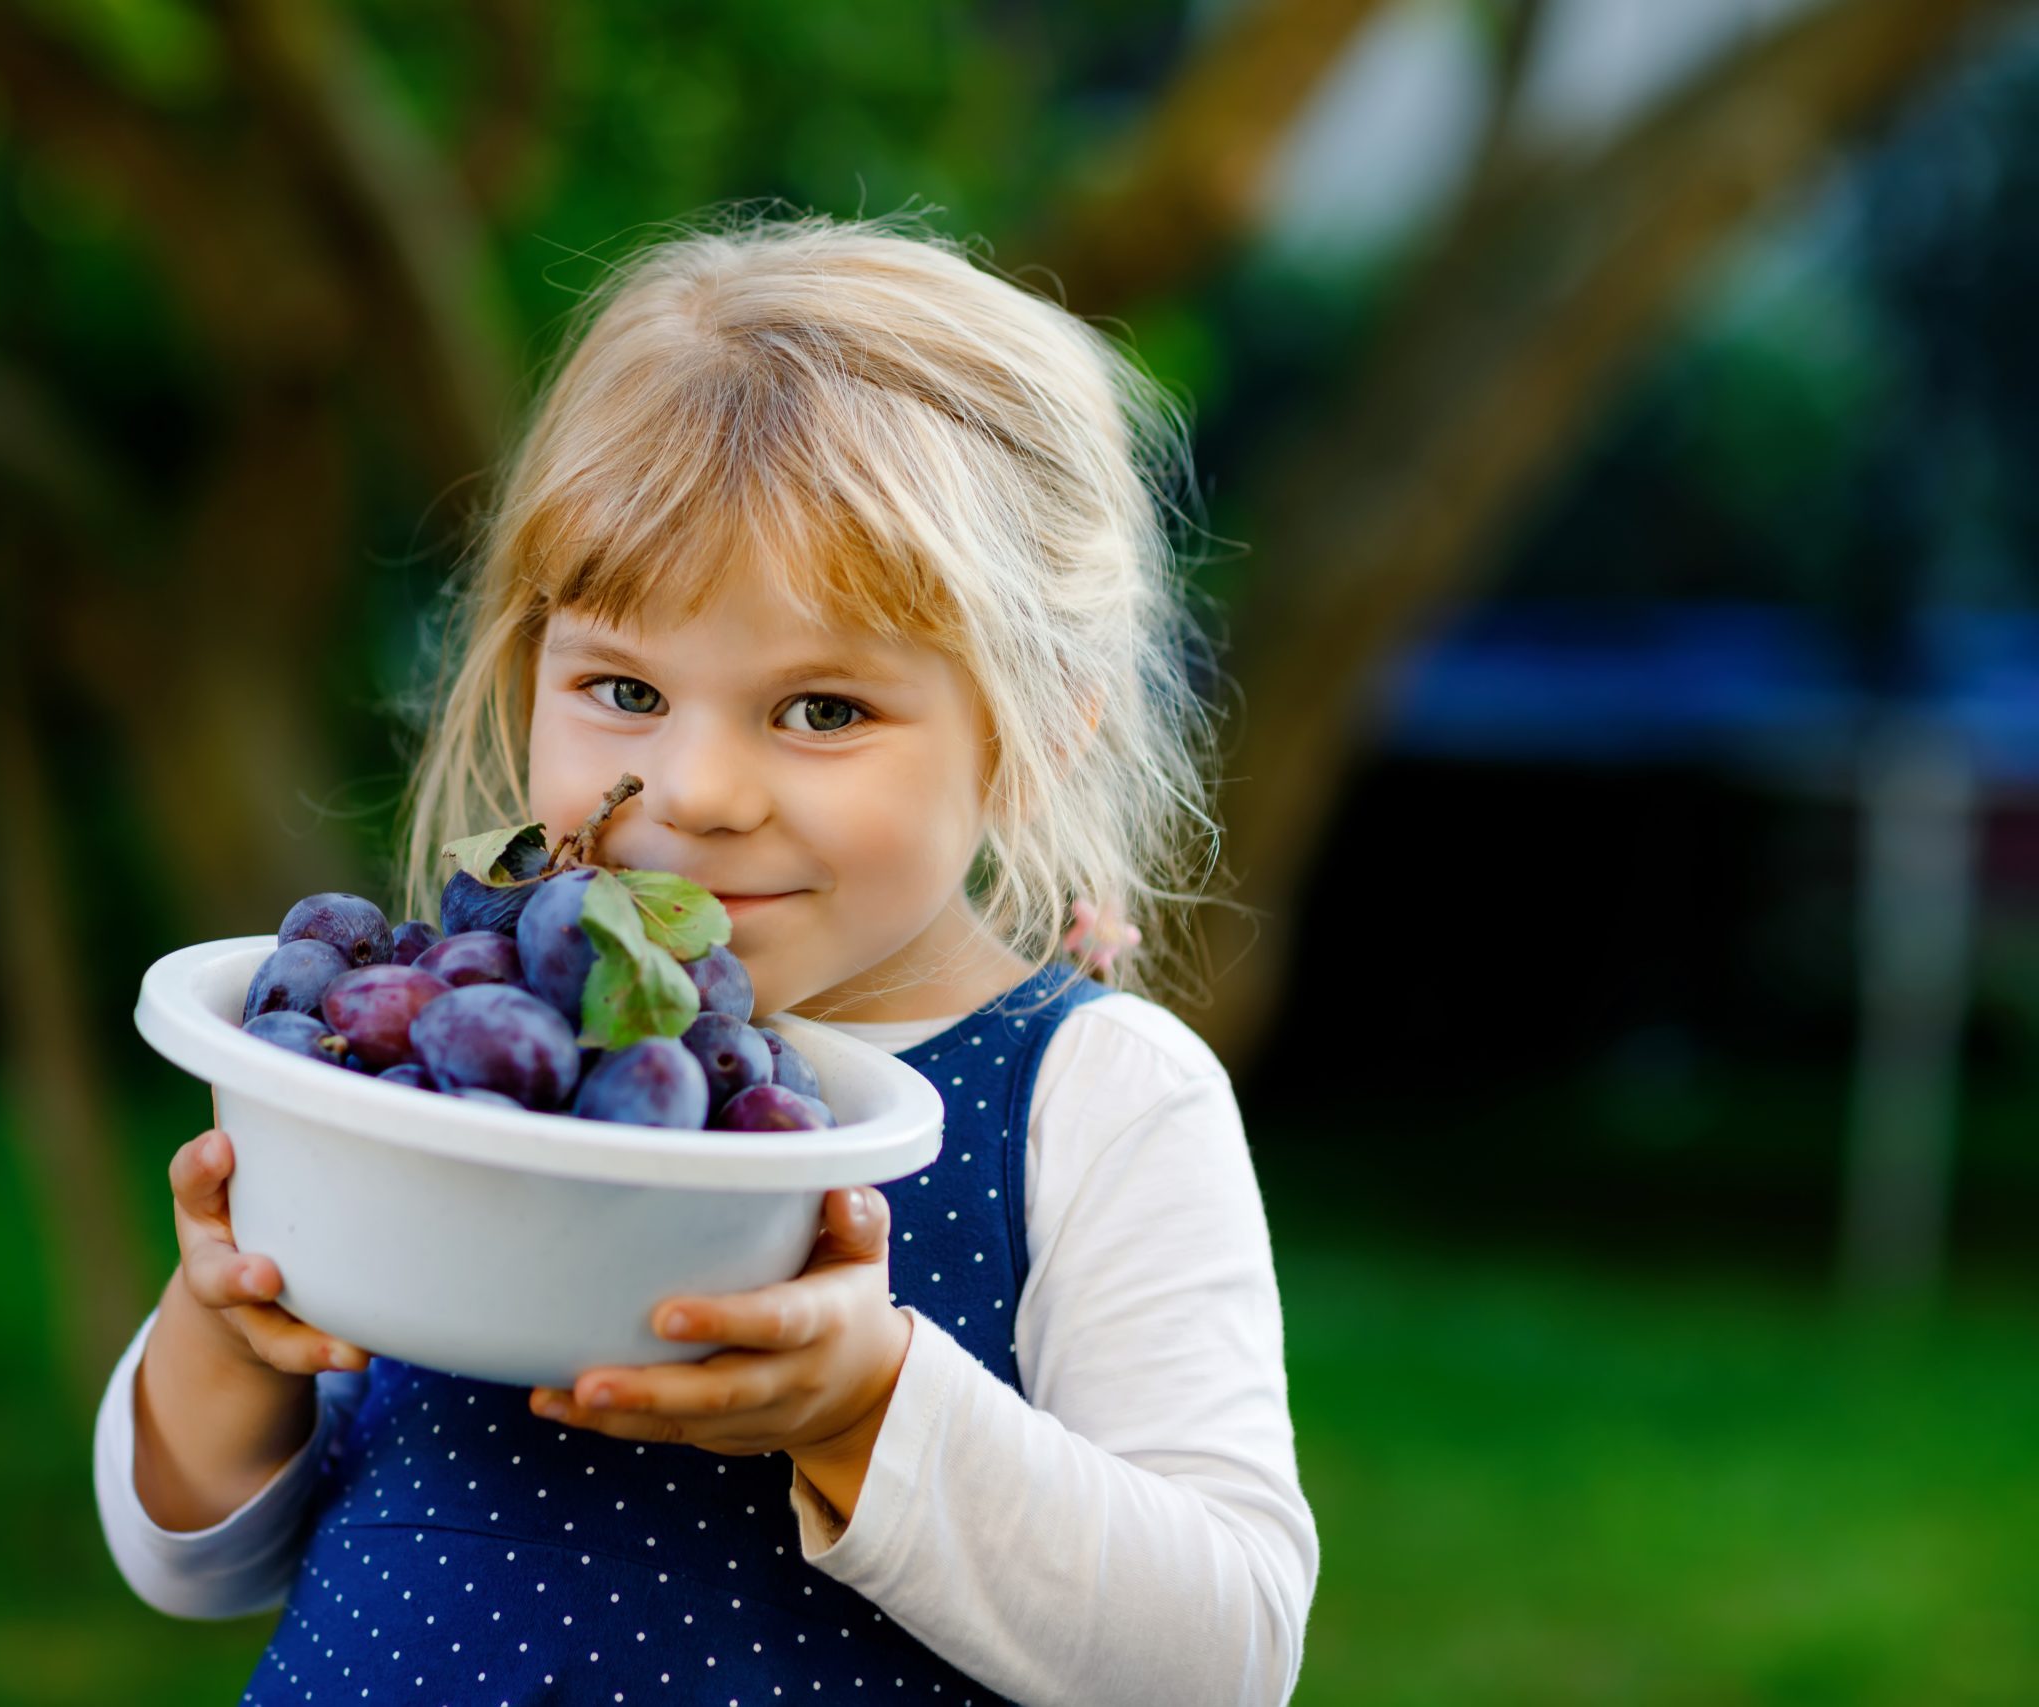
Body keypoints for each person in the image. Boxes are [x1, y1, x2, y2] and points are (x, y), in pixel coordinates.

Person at [93, 206, 1317, 1705]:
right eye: (622, 686)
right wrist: (225, 1334)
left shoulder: (1090, 1096)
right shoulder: (473, 1045)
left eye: (821, 711)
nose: (700, 794)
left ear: (1044, 728)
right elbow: (194, 1558)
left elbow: (1227, 1658)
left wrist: (870, 1405)